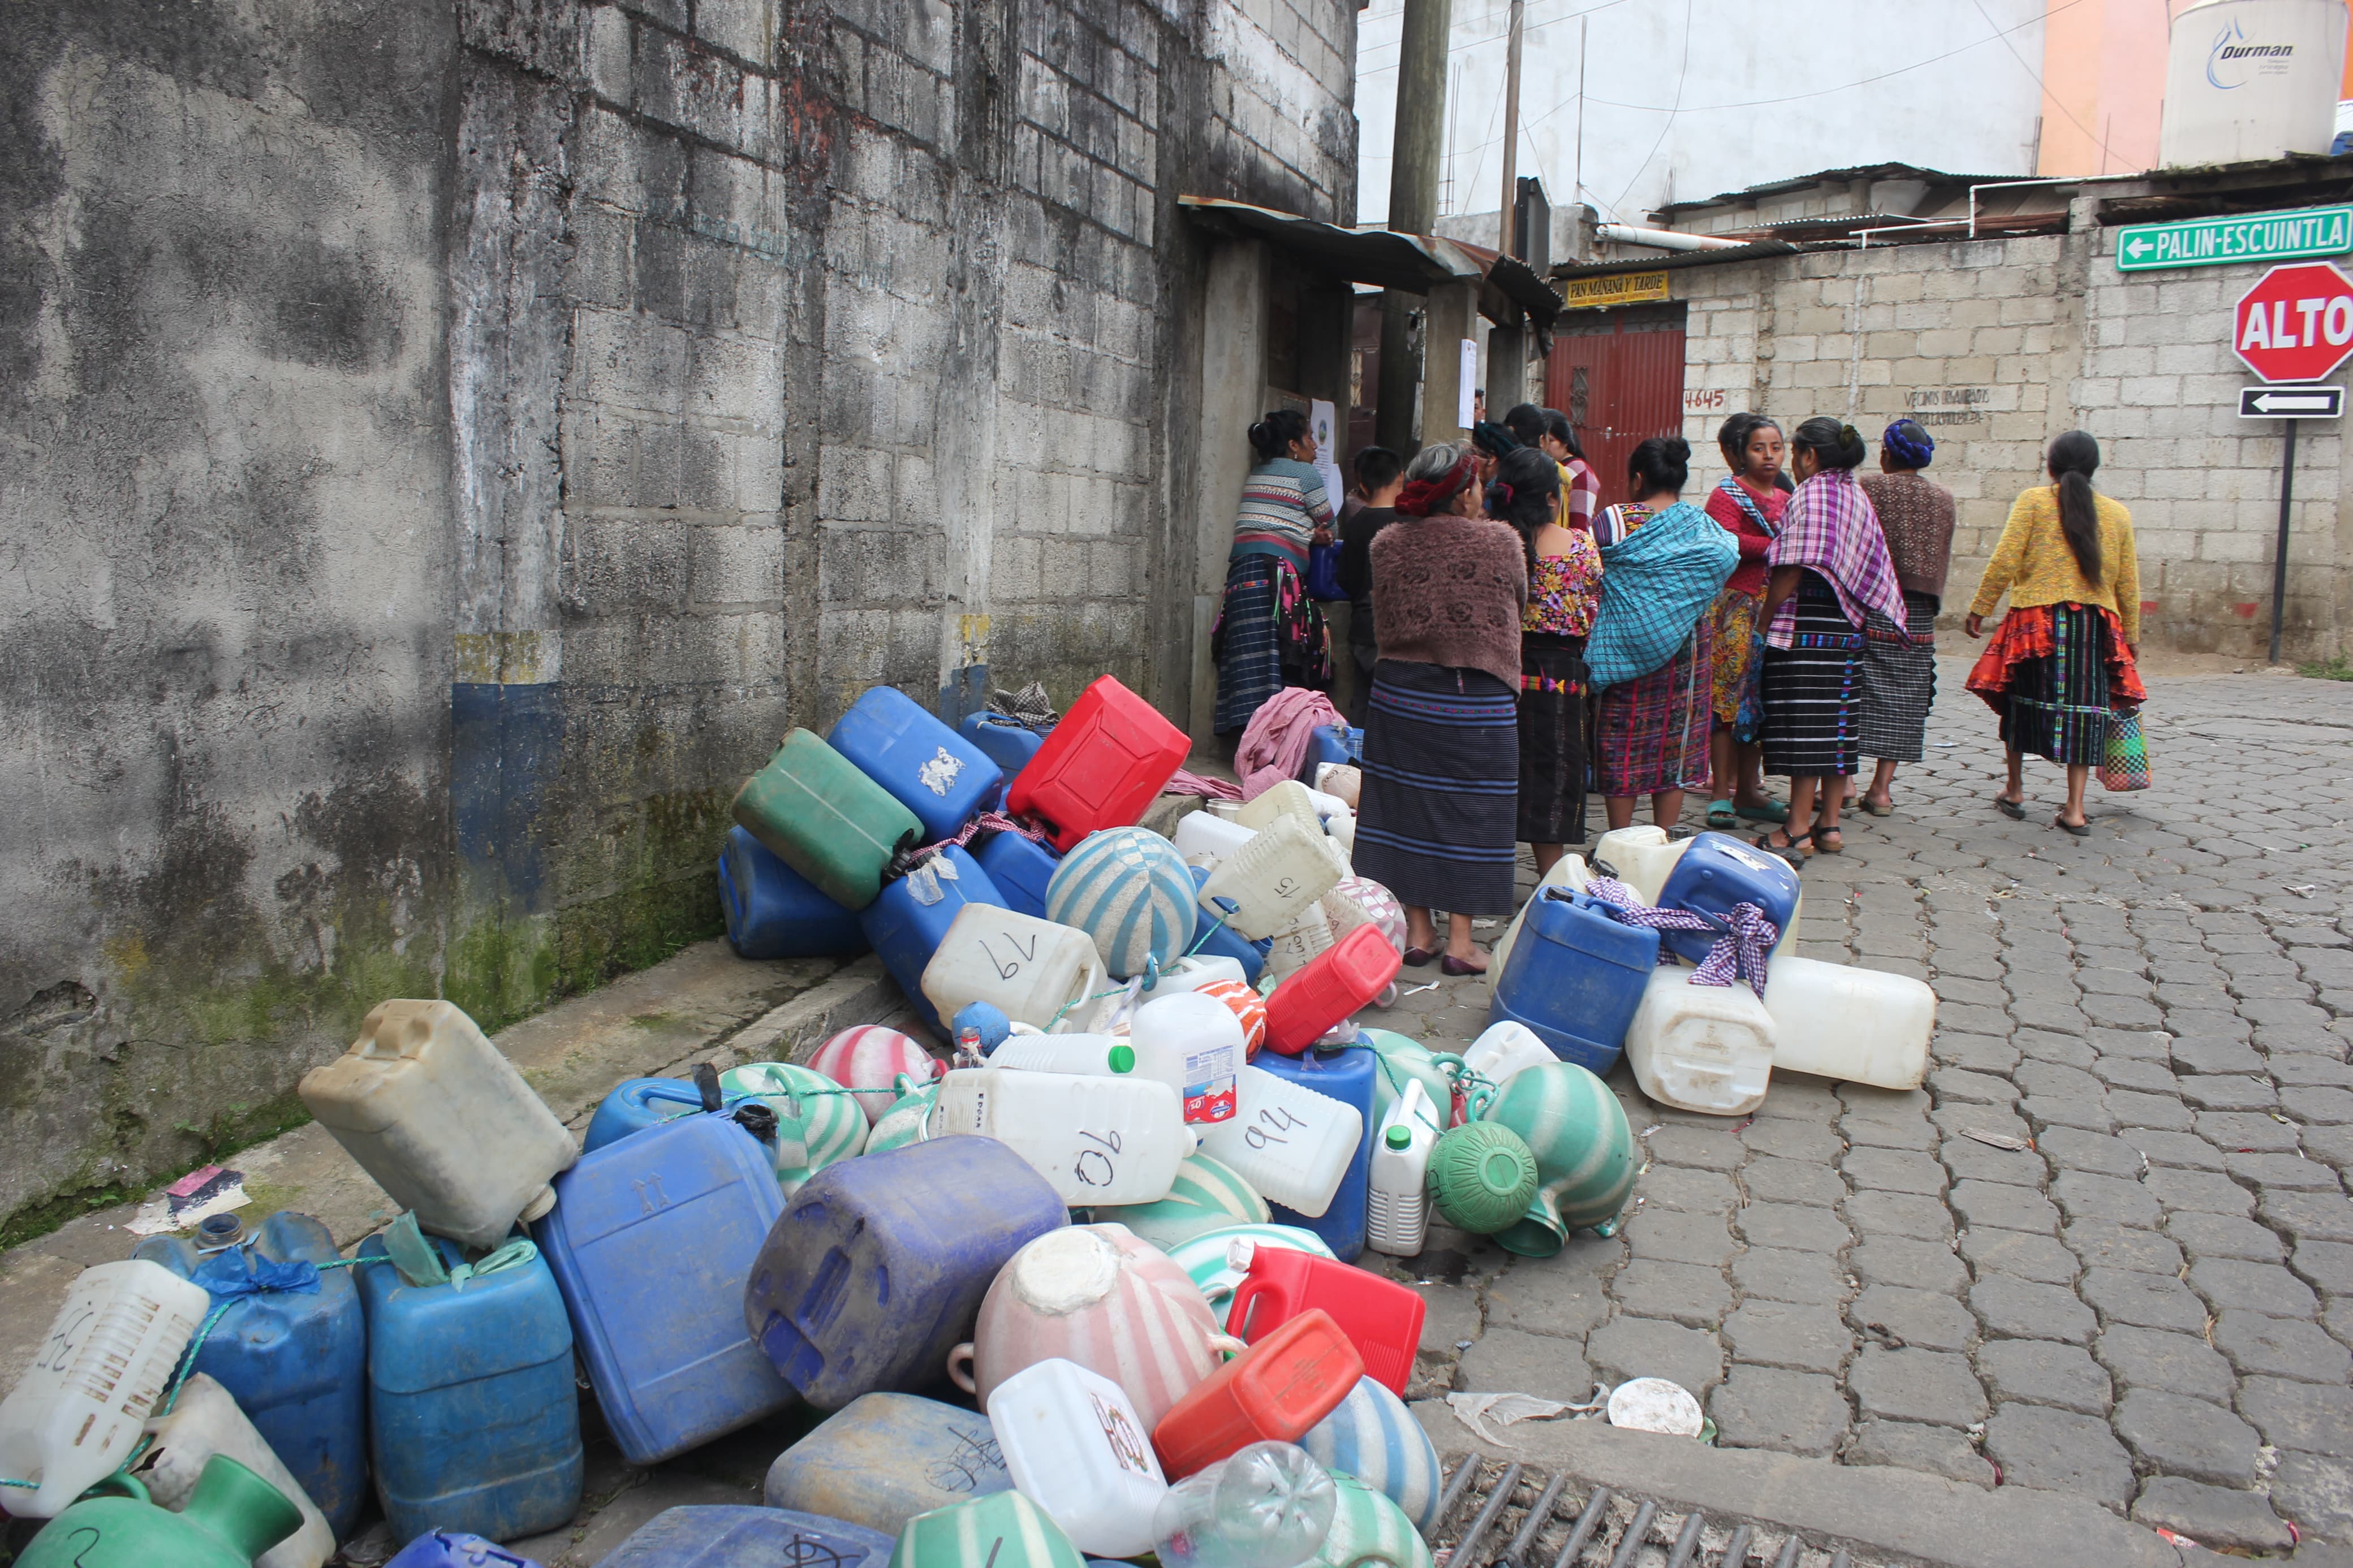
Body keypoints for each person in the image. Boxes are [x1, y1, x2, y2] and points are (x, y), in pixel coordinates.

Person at [1357, 442, 1529, 974]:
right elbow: (1518, 600)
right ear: (1461, 496)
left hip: (1400, 695)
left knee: (1405, 805)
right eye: (1476, 485)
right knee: (1474, 812)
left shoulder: (1387, 544)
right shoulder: (1501, 542)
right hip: (1475, 698)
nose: (1481, 493)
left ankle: (1418, 933)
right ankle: (1461, 943)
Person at [1965, 430, 2144, 836]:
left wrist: (1981, 607)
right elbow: (2127, 582)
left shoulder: (2033, 501)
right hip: (2094, 626)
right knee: (2086, 709)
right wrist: (2131, 635)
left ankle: (2014, 790)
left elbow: (2006, 558)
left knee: (2019, 702)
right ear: (2094, 468)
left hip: (2035, 623)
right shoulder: (2117, 514)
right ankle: (2075, 809)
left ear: (2051, 466)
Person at [1754, 418, 1911, 860]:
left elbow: (1791, 567)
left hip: (1808, 626)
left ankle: (1796, 830)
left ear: (1809, 456)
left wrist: (1764, 622)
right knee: (1837, 727)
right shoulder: (1856, 494)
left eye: (1793, 453)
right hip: (1848, 630)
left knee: (1806, 729)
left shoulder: (1812, 494)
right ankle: (1830, 825)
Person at [1585, 437, 1736, 832]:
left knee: (1622, 739)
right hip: (1686, 646)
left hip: (1622, 646)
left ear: (1638, 479)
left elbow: (1590, 572)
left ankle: (1621, 839)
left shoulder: (1613, 520)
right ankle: (1664, 839)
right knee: (1676, 743)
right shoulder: (1702, 525)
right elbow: (1726, 558)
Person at [1492, 447, 1602, 871]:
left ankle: (1488, 874)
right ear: (1553, 498)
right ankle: (1549, 876)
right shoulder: (1581, 547)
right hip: (1563, 676)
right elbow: (1591, 606)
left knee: (1499, 770)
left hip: (1503, 671)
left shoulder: (1497, 546)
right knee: (1555, 774)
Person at [1854, 418, 1957, 815]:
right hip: (1918, 613)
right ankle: (1881, 790)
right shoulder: (1944, 498)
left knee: (1855, 688)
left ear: (1885, 454)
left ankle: (1843, 782)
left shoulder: (1868, 486)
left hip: (1871, 604)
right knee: (1906, 696)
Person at [1213, 410, 1334, 738]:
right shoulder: (1305, 473)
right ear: (1294, 445)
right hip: (1276, 580)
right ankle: (1271, 740)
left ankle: (1244, 739)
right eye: (1310, 438)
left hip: (1242, 576)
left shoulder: (1258, 472)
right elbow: (1330, 524)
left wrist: (1302, 531)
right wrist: (1312, 534)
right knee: (1279, 662)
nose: (1315, 446)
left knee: (1246, 662)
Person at [1700, 413, 1789, 831]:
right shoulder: (1726, 495)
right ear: (1741, 453)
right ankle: (1721, 790)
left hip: (1777, 608)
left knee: (1761, 699)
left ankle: (1750, 790)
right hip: (1735, 607)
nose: (1768, 456)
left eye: (1776, 447)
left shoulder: (1788, 498)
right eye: (1759, 448)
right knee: (1727, 699)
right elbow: (1724, 541)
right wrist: (1777, 544)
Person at [1337, 446, 1406, 724]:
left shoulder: (1356, 524)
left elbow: (1345, 579)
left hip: (1363, 627)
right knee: (1394, 708)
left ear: (1363, 486)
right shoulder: (1409, 524)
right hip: (1398, 631)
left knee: (1363, 701)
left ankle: (1357, 750)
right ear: (1401, 477)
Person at [1543, 410, 1602, 530]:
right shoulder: (1547, 468)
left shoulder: (1580, 473)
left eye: (1551, 440)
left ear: (1565, 442)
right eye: (1542, 440)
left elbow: (1579, 528)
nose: (1544, 445)